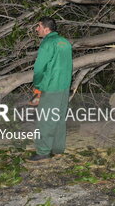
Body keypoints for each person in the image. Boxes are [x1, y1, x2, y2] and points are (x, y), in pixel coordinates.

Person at [28, 17, 73, 162]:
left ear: (46, 29)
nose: (36, 29)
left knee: (46, 119)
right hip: (64, 86)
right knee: (59, 118)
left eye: (38, 26)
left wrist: (37, 88)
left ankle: (43, 151)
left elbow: (40, 68)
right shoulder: (64, 42)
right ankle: (58, 149)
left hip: (51, 87)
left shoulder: (47, 43)